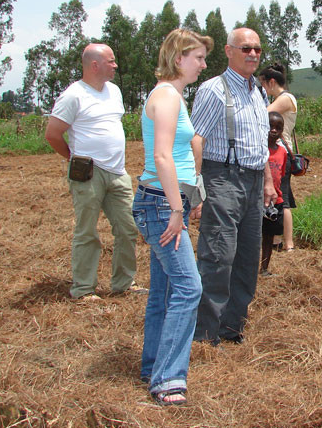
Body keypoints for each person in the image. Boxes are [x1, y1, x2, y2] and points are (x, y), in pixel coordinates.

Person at [131, 29, 211, 405]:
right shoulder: (165, 97)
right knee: (189, 287)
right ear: (179, 58)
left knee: (163, 290)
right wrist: (176, 208)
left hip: (166, 199)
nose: (204, 64)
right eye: (198, 57)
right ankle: (167, 380)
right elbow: (161, 157)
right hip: (162, 203)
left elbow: (181, 154)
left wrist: (190, 193)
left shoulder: (174, 96)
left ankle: (153, 365)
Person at [190, 27, 277, 344]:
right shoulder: (214, 90)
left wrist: (268, 180)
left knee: (246, 259)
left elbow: (260, 143)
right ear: (229, 51)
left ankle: (231, 329)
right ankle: (204, 335)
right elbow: (195, 140)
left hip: (253, 182)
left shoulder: (259, 92)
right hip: (222, 179)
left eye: (256, 48)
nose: (252, 54)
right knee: (217, 257)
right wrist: (195, 189)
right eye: (245, 48)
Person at [45, 44, 142, 300]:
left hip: (117, 172)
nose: (115, 65)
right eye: (111, 61)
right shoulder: (73, 95)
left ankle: (124, 284)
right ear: (95, 65)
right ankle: (83, 289)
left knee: (128, 227)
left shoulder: (115, 91)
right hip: (88, 173)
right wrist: (72, 158)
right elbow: (52, 134)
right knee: (87, 231)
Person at [259, 63, 298, 251]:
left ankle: (288, 243)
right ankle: (275, 241)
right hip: (274, 153)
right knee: (274, 196)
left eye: (263, 85)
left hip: (281, 153)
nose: (263, 89)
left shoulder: (285, 99)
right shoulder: (282, 98)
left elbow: (261, 115)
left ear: (271, 82)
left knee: (284, 199)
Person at [260, 111, 288, 276]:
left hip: (275, 200)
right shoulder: (258, 149)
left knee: (269, 236)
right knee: (254, 235)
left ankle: (264, 268)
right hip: (258, 200)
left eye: (278, 128)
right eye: (270, 126)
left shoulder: (282, 152)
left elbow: (281, 176)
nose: (274, 130)